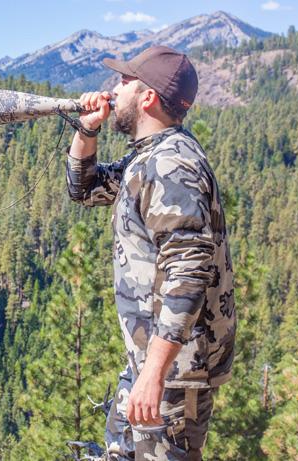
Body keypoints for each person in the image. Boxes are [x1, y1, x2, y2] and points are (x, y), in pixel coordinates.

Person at [65, 45, 236, 461]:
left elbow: (188, 272)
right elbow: (85, 188)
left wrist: (155, 374)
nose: (114, 89)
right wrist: (87, 130)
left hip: (176, 373)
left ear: (147, 98)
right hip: (153, 362)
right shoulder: (150, 156)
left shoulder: (171, 165)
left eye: (126, 81)